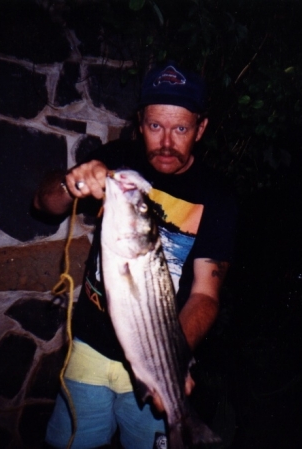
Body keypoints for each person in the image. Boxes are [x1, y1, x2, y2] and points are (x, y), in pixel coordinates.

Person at [35, 62, 237, 449]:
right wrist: (72, 181)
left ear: (201, 128)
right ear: (140, 122)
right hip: (89, 350)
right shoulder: (116, 160)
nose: (166, 142)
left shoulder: (219, 198)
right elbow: (44, 203)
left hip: (161, 360)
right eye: (155, 126)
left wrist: (173, 360)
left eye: (181, 129)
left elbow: (205, 296)